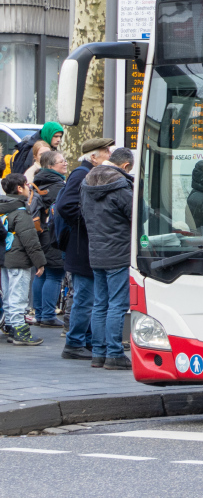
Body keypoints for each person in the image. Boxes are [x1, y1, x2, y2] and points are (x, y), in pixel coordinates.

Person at [54, 137, 114, 362]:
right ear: (93, 156)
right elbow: (65, 206)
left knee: (90, 297)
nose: (109, 155)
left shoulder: (86, 173)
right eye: (106, 151)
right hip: (82, 247)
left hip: (84, 246)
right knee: (85, 297)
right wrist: (91, 221)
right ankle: (74, 342)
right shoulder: (81, 174)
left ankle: (85, 340)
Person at [81, 147, 135, 370]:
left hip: (96, 251)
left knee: (100, 304)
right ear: (125, 166)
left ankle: (98, 353)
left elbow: (83, 214)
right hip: (119, 252)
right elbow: (135, 214)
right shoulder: (121, 185)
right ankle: (114, 353)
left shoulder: (86, 182)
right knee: (116, 305)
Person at [1, 173, 47, 346]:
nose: (30, 188)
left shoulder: (4, 208)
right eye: (27, 185)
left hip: (4, 258)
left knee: (8, 295)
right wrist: (39, 262)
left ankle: (12, 326)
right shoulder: (21, 211)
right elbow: (30, 240)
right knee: (19, 296)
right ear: (19, 188)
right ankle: (21, 331)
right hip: (19, 258)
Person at [30, 149, 69, 328]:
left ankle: (39, 313)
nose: (66, 163)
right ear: (51, 166)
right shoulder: (58, 186)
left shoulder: (39, 182)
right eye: (62, 161)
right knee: (55, 273)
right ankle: (47, 315)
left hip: (39, 233)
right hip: (52, 234)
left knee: (41, 272)